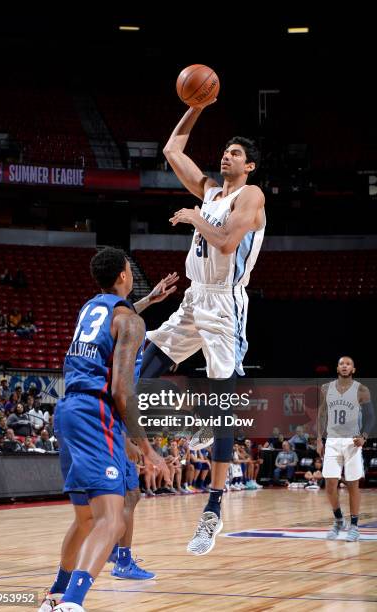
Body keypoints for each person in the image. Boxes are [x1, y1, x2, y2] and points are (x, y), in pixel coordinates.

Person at [140, 101, 265, 555]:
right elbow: (172, 149)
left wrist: (194, 218)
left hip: (224, 305)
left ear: (248, 165)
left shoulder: (249, 197)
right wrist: (194, 108)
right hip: (195, 296)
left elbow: (230, 241)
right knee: (142, 372)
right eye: (225, 151)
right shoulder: (210, 191)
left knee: (222, 408)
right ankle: (138, 441)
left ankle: (213, 508)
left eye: (235, 153)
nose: (226, 156)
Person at [39, 247, 171, 612]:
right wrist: (146, 448)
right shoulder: (130, 322)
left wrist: (147, 300)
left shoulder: (91, 308)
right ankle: (72, 603)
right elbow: (121, 391)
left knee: (86, 519)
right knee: (111, 521)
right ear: (125, 276)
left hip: (67, 410)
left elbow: (117, 323)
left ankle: (54, 596)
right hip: (97, 412)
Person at [317, 356, 375, 542]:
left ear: (353, 369)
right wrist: (319, 439)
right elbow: (321, 415)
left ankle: (355, 526)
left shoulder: (362, 389)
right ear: (337, 368)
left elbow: (371, 417)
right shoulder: (326, 388)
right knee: (330, 484)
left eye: (348, 364)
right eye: (342, 363)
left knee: (353, 485)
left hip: (352, 442)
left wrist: (364, 437)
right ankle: (338, 519)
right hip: (333, 441)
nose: (344, 366)